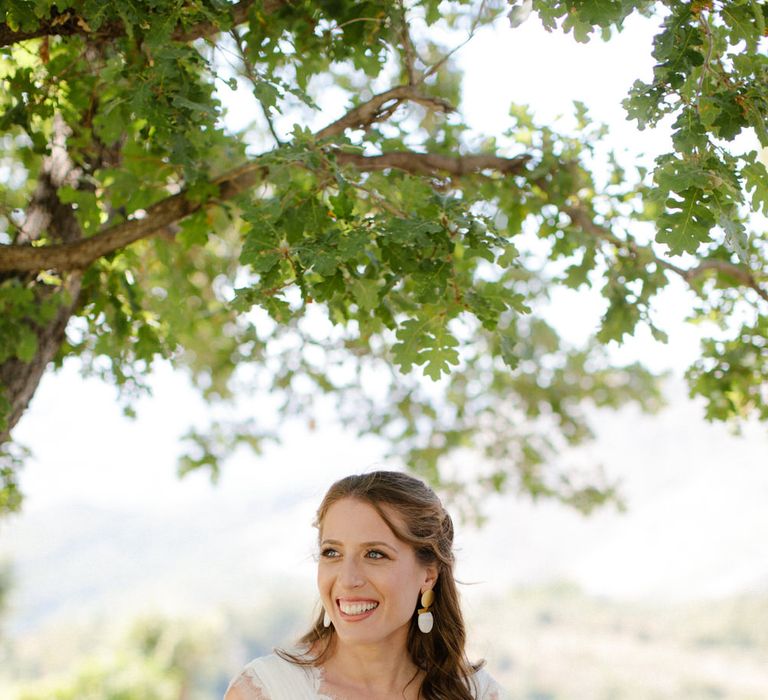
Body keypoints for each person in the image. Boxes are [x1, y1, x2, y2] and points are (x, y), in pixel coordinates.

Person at [224, 470, 508, 700]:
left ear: (428, 575)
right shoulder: (264, 691)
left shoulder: (479, 694)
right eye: (332, 553)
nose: (347, 580)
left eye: (375, 554)